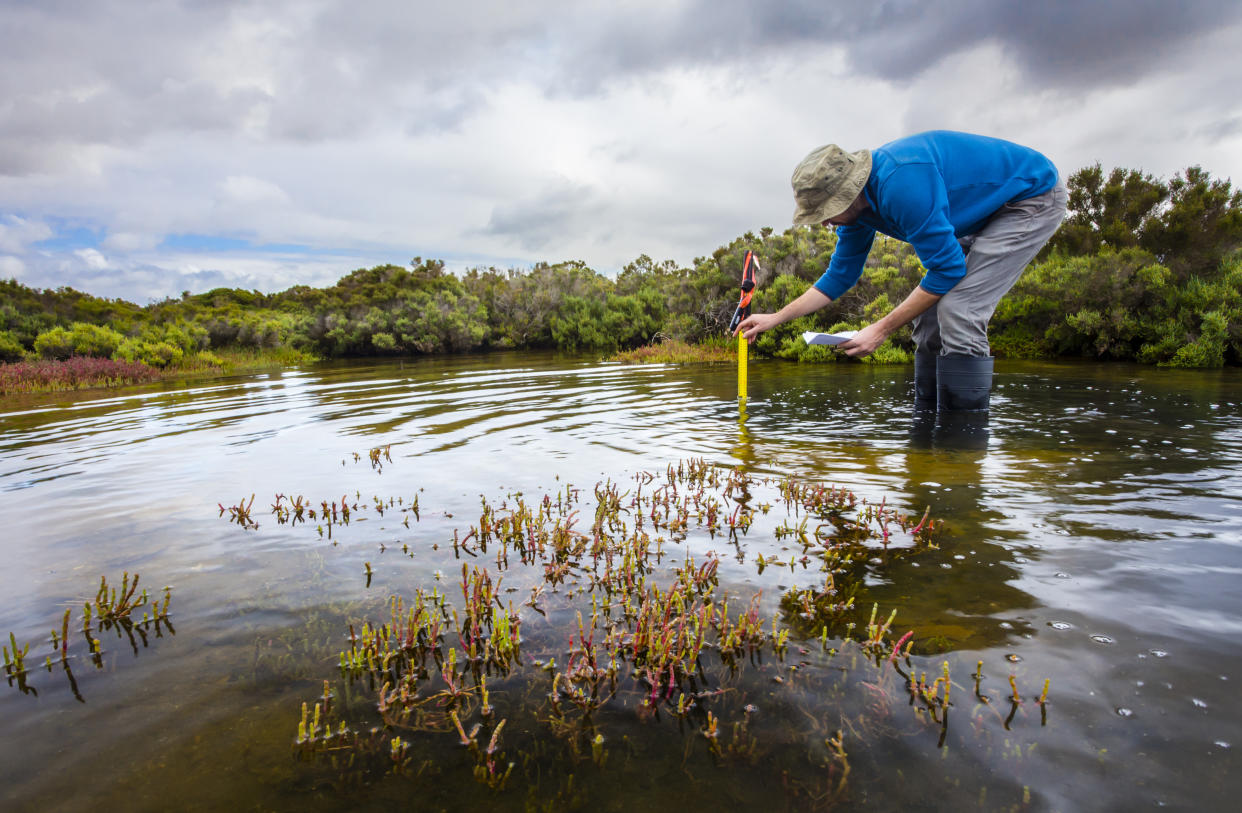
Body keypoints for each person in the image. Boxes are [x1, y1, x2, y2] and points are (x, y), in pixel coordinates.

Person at [734, 130, 1067, 411]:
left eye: (827, 210)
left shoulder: (901, 185)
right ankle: (926, 433)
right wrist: (777, 317)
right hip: (977, 213)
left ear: (850, 193)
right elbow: (840, 276)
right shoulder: (858, 213)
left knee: (959, 309)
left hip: (1028, 199)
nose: (824, 221)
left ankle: (961, 447)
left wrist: (880, 329)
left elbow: (948, 270)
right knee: (930, 315)